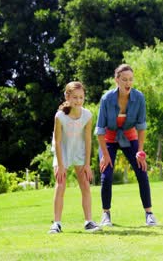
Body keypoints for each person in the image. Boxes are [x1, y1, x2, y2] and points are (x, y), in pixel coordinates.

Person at [95, 64, 157, 227]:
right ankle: (105, 214)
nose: (128, 83)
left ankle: (149, 214)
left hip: (129, 137)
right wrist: (105, 155)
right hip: (108, 138)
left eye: (130, 79)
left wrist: (140, 152)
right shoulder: (106, 99)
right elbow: (100, 129)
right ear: (117, 80)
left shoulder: (139, 98)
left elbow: (141, 127)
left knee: (142, 171)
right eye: (124, 80)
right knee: (106, 174)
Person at [49, 81, 101, 234]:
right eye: (75, 97)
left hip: (79, 152)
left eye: (81, 97)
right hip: (62, 152)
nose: (78, 101)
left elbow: (88, 140)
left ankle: (89, 222)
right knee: (60, 185)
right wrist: (60, 164)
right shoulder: (60, 116)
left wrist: (87, 164)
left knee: (85, 185)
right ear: (67, 97)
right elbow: (58, 141)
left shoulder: (87, 115)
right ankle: (56, 224)